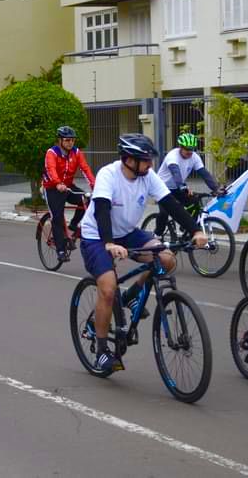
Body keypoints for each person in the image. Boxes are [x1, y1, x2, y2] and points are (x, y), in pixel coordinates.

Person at [79, 134, 207, 374]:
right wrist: (108, 243)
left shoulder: (148, 176)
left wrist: (196, 230)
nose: (150, 164)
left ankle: (133, 294)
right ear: (128, 160)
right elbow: (102, 210)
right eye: (145, 160)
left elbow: (171, 204)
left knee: (166, 259)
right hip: (97, 235)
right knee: (107, 288)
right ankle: (101, 351)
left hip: (127, 232)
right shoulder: (109, 174)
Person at [43, 126, 96, 262]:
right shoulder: (52, 153)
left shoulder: (76, 152)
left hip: (68, 186)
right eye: (67, 140)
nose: (70, 143)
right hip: (52, 188)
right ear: (60, 140)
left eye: (72, 140)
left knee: (86, 200)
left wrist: (94, 185)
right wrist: (57, 183)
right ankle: (60, 250)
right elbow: (51, 169)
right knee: (57, 217)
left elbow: (85, 169)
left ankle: (73, 226)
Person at [154, 132, 220, 238]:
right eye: (187, 149)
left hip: (176, 188)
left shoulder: (194, 157)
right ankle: (157, 235)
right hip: (162, 188)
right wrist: (183, 187)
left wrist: (216, 188)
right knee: (164, 212)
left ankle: (186, 230)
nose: (190, 152)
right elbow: (176, 173)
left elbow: (204, 173)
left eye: (192, 149)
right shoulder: (172, 156)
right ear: (180, 147)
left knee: (194, 202)